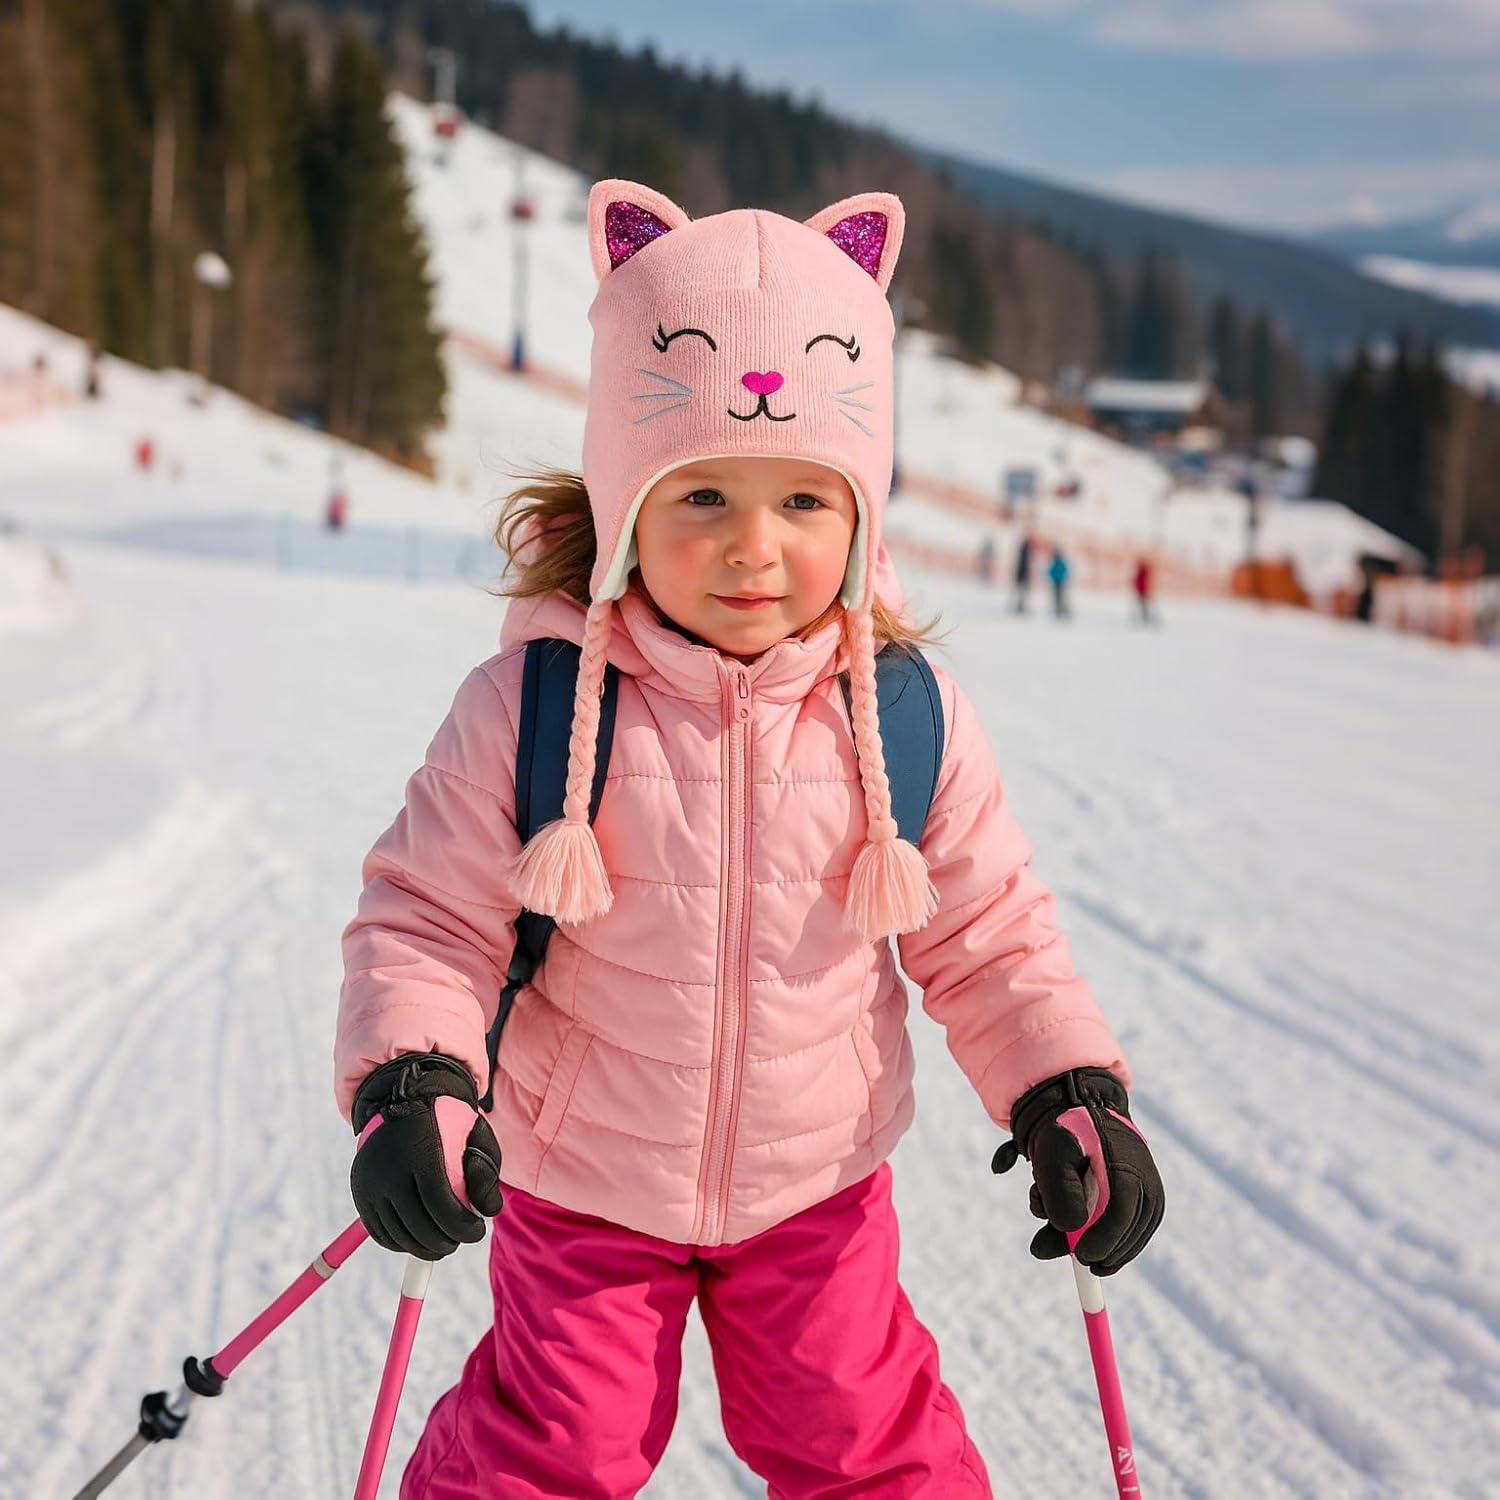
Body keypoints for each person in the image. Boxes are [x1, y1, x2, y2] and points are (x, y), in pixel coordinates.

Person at [335, 178, 1165, 1498]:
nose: (753, 550)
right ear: (622, 506)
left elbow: (990, 931)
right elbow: (432, 923)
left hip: (816, 1185)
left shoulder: (898, 713)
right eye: (703, 497)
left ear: (861, 520)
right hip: (586, 1181)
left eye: (803, 503)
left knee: (866, 1445)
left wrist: (1066, 1087)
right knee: (556, 1449)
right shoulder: (535, 705)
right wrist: (414, 1081)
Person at [1011, 530, 1033, 612]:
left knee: (1021, 592)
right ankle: (1020, 606)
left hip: (1021, 574)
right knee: (1021, 592)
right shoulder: (1025, 553)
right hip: (1022, 574)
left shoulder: (1023, 552)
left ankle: (1020, 606)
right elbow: (1024, 565)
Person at [1048, 544, 1071, 619]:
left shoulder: (1058, 562)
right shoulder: (1056, 562)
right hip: (1057, 582)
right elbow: (1051, 571)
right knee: (1059, 596)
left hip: (1059, 582)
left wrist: (1060, 577)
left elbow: (1064, 571)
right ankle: (1059, 609)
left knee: (1060, 596)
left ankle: (1062, 609)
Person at [1133, 554, 1155, 625]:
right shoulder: (1141, 572)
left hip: (1143, 591)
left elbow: (1143, 582)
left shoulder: (1143, 572)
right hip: (1141, 591)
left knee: (1145, 605)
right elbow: (1138, 581)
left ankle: (1146, 617)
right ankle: (1145, 617)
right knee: (1143, 606)